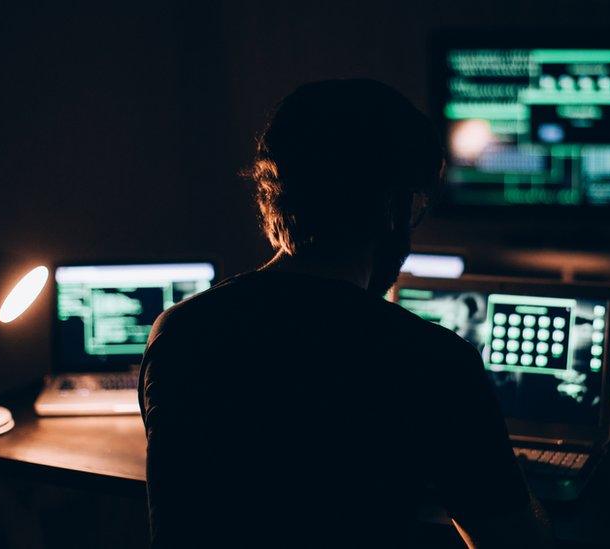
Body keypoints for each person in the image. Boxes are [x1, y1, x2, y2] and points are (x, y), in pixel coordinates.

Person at [139, 79, 550, 548]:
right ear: (392, 209)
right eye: (413, 208)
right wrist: (503, 470)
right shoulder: (432, 360)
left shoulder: (179, 331)